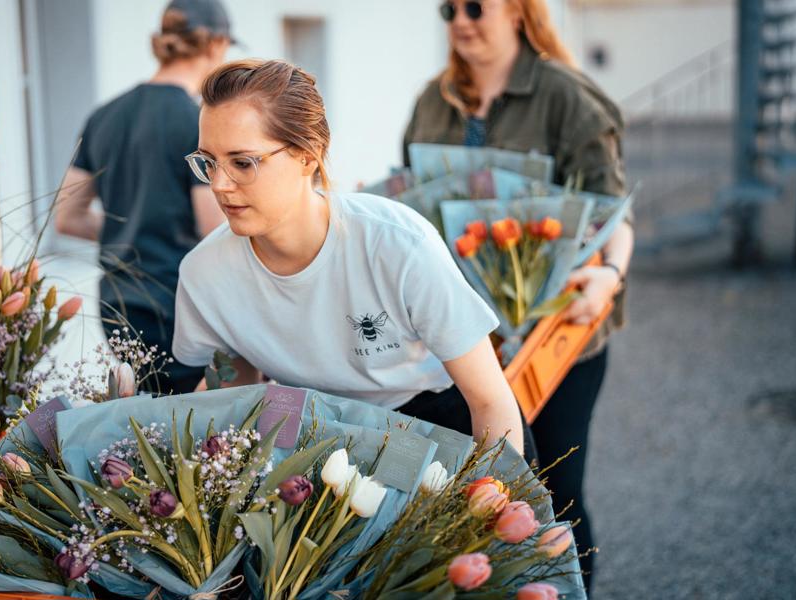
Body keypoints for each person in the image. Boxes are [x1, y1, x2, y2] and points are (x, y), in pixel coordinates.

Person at [172, 59, 532, 458]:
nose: (219, 185)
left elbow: (489, 401)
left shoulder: (396, 245)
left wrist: (495, 499)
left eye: (242, 163)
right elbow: (234, 392)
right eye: (208, 162)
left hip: (447, 426)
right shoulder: (205, 274)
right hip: (324, 443)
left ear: (308, 155)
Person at [402, 0, 635, 593]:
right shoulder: (433, 99)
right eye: (448, 9)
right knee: (474, 489)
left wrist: (609, 275)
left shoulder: (566, 96)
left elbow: (616, 212)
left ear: (517, 11)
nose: (460, 20)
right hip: (459, 340)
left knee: (555, 488)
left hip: (557, 341)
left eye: (475, 6)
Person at [55, 0, 233, 394]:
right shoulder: (198, 122)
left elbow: (67, 217)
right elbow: (213, 226)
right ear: (216, 45)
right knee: (193, 429)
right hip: (178, 301)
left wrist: (132, 224)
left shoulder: (104, 115)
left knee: (142, 420)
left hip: (118, 304)